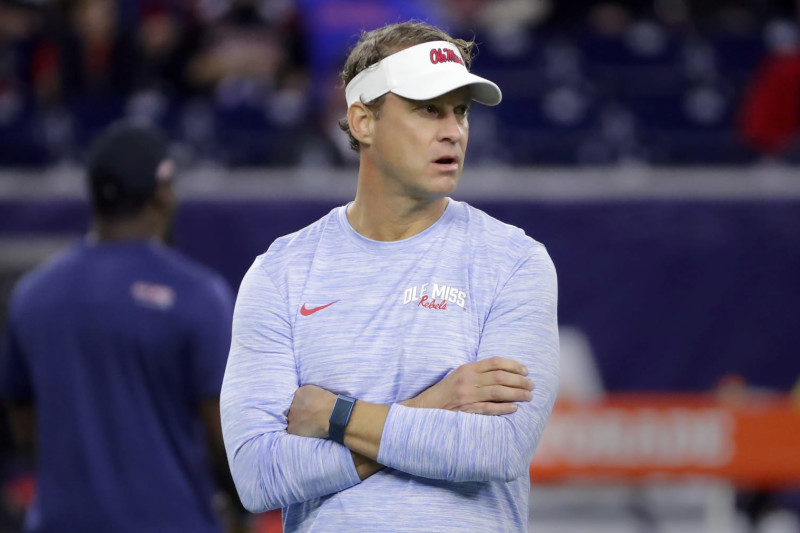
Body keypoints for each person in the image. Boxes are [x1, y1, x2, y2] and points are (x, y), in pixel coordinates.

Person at [220, 21, 560, 532]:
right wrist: (433, 403)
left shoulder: (515, 261)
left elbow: (497, 450)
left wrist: (338, 417)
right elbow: (257, 476)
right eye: (428, 109)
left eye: (460, 111)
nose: (453, 130)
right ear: (362, 121)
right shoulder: (281, 273)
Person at [0, 121, 248, 533]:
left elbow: (24, 428)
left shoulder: (32, 293)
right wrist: (242, 510)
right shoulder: (197, 294)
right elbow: (222, 437)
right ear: (163, 193)